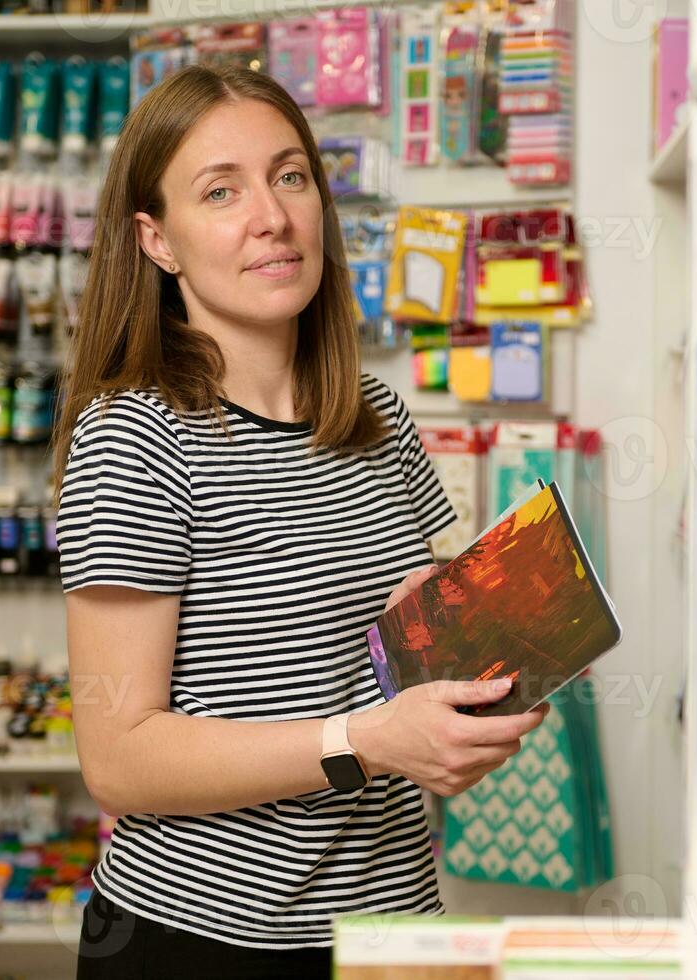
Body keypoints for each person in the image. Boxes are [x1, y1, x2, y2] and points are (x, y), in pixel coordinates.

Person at [54, 65, 549, 979]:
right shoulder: (136, 436)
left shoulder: (375, 415)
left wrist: (477, 685)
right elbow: (118, 758)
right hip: (202, 944)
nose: (271, 217)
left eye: (289, 177)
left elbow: (396, 647)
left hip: (395, 925)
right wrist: (368, 740)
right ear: (156, 239)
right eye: (220, 191)